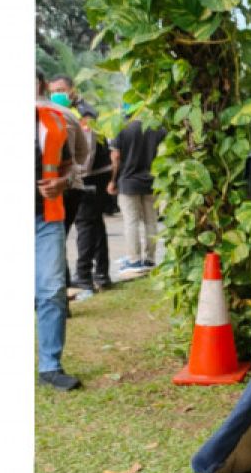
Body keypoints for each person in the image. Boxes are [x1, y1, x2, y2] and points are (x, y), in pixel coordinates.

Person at [35, 70, 81, 391]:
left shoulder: (55, 120)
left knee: (51, 289)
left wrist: (61, 182)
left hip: (46, 218)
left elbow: (73, 164)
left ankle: (50, 366)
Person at [48, 75, 112, 295]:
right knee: (95, 225)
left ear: (72, 89)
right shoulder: (68, 110)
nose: (56, 93)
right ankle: (102, 274)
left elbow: (88, 149)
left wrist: (77, 177)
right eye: (53, 90)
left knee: (85, 224)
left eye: (61, 89)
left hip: (92, 174)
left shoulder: (85, 112)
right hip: (87, 172)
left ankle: (83, 276)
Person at [107, 114, 166, 279]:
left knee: (131, 222)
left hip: (128, 182)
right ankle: (149, 259)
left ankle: (134, 260)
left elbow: (116, 158)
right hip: (152, 182)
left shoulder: (123, 128)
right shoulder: (159, 129)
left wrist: (112, 181)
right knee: (151, 221)